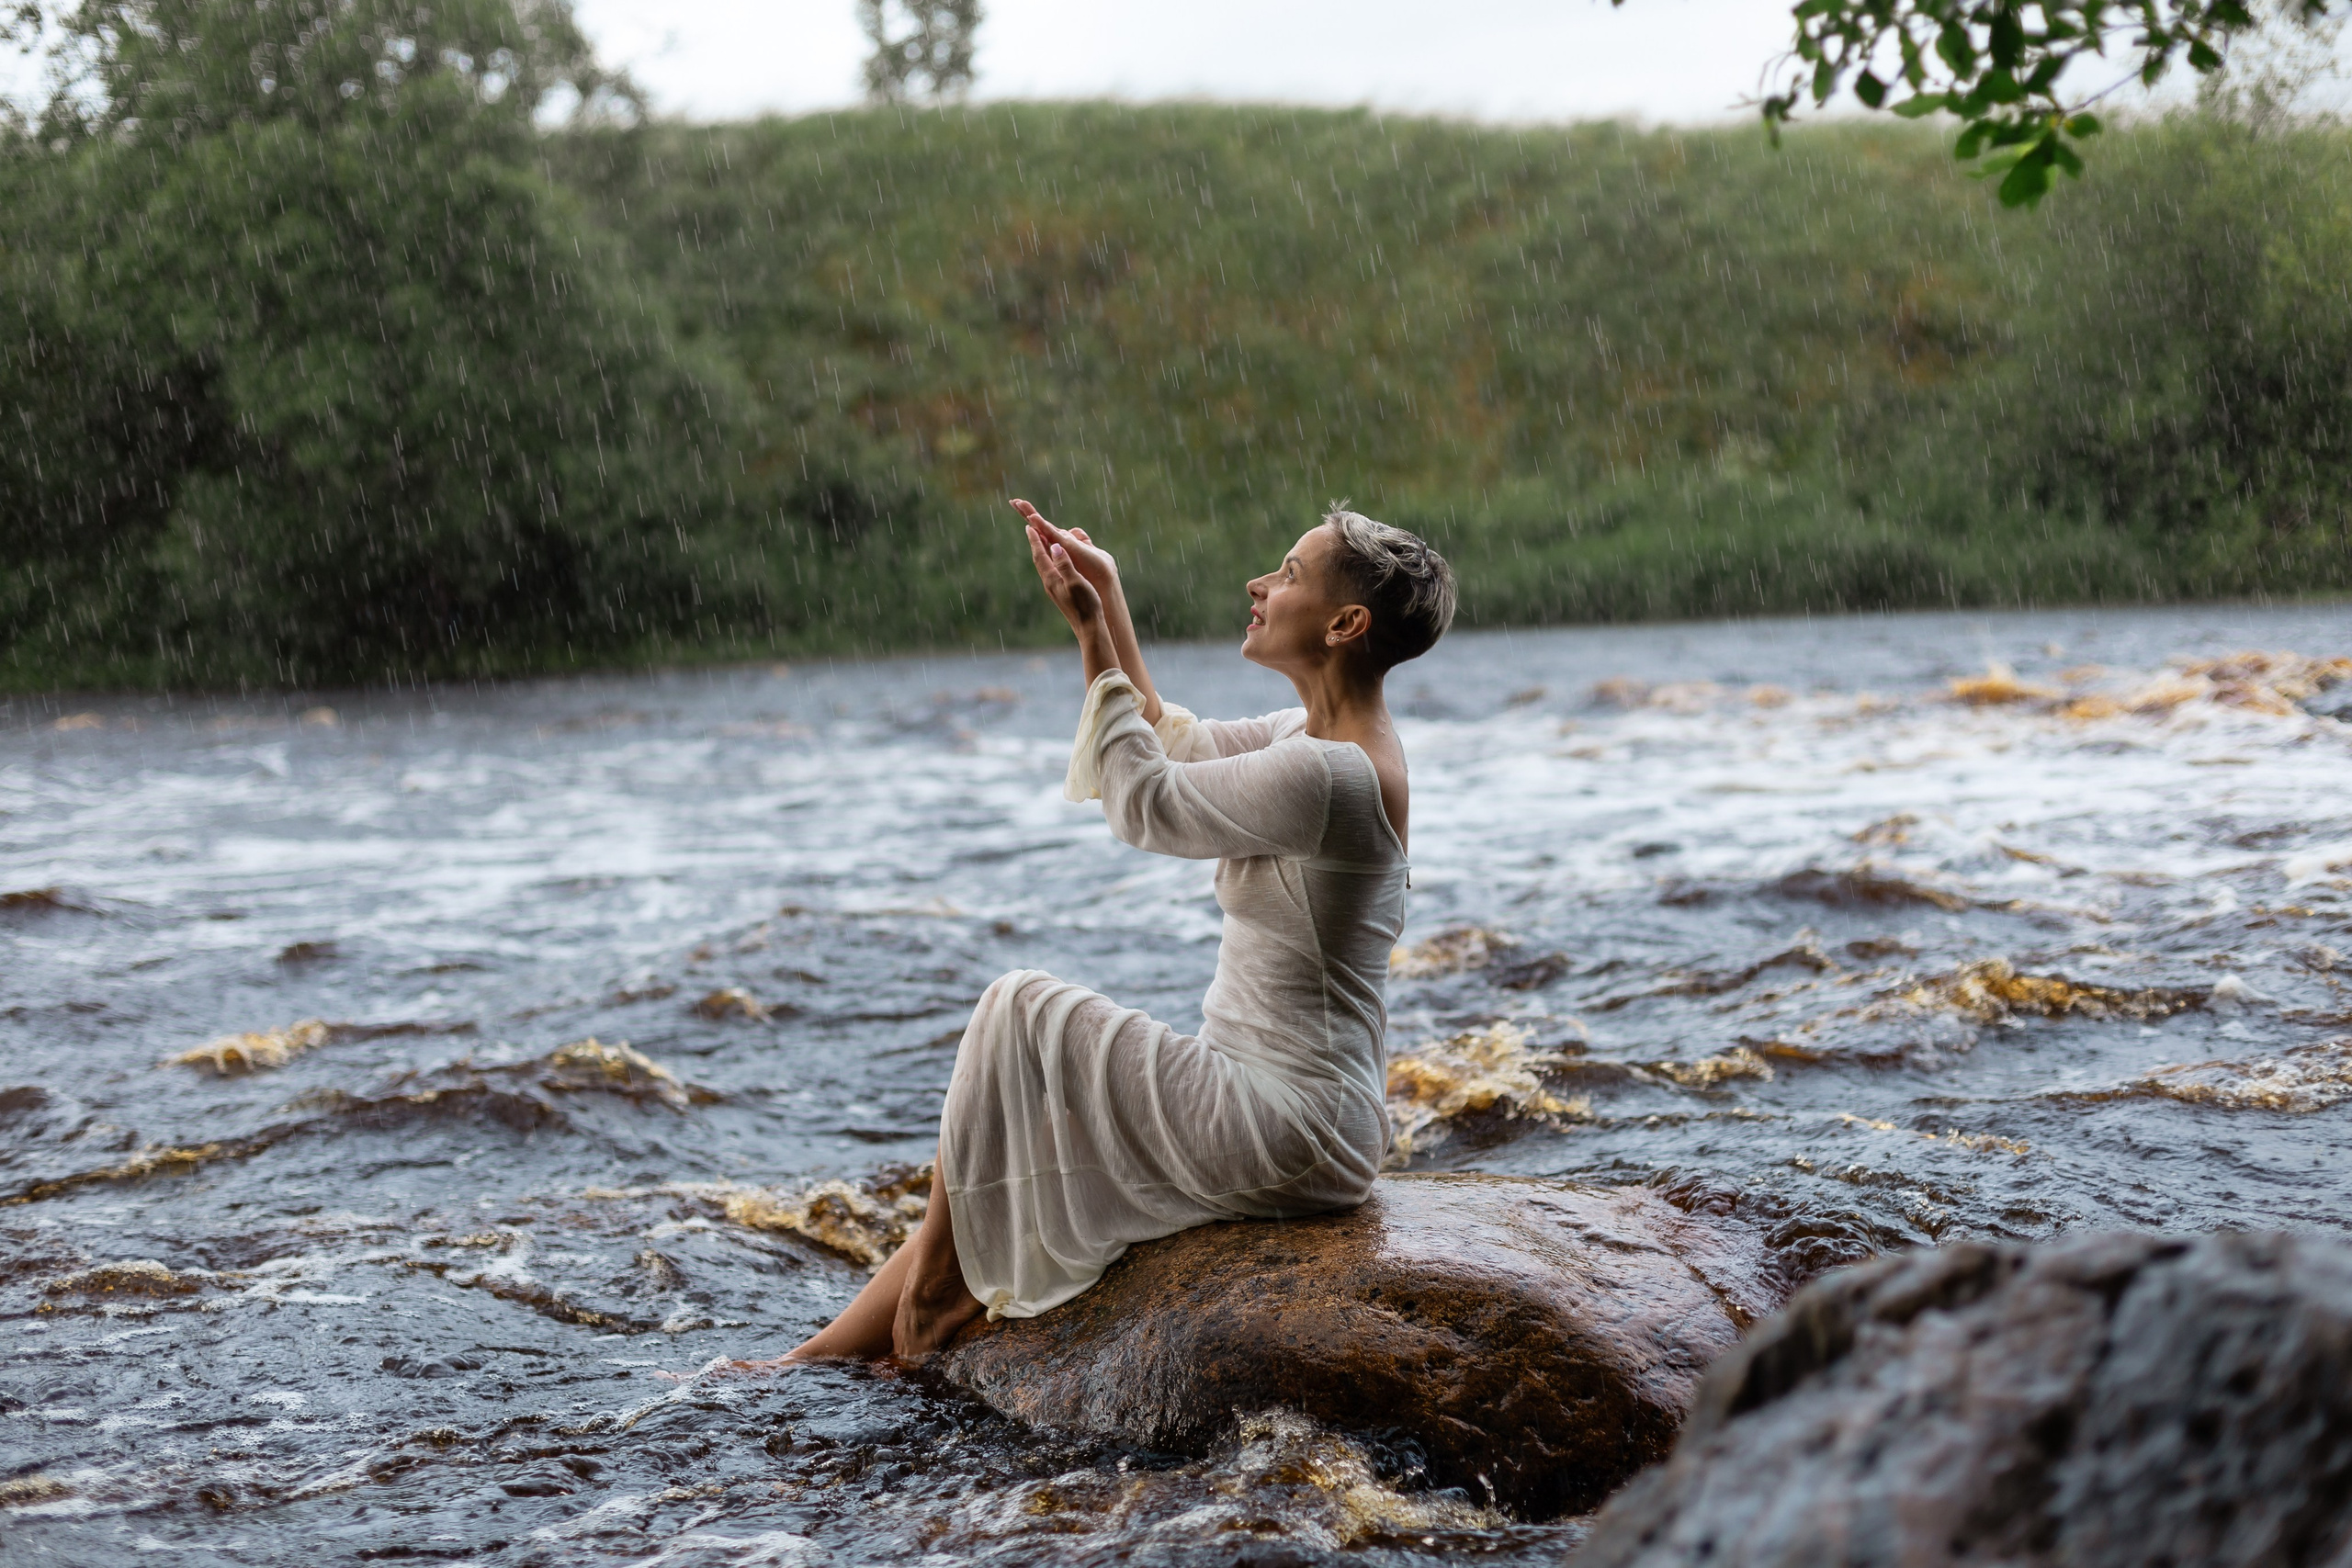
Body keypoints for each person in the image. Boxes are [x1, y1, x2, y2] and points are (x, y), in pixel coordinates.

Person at [768, 497, 1456, 1363]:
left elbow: (1145, 802)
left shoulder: (1332, 775)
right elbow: (1172, 743)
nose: (1259, 584)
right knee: (1022, 1155)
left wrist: (1090, 633)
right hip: (1296, 1113)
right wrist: (1112, 598)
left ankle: (933, 1312)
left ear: (1345, 623)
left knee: (1016, 1007)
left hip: (1289, 1120)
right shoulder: (1311, 740)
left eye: (1287, 574)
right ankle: (812, 1358)